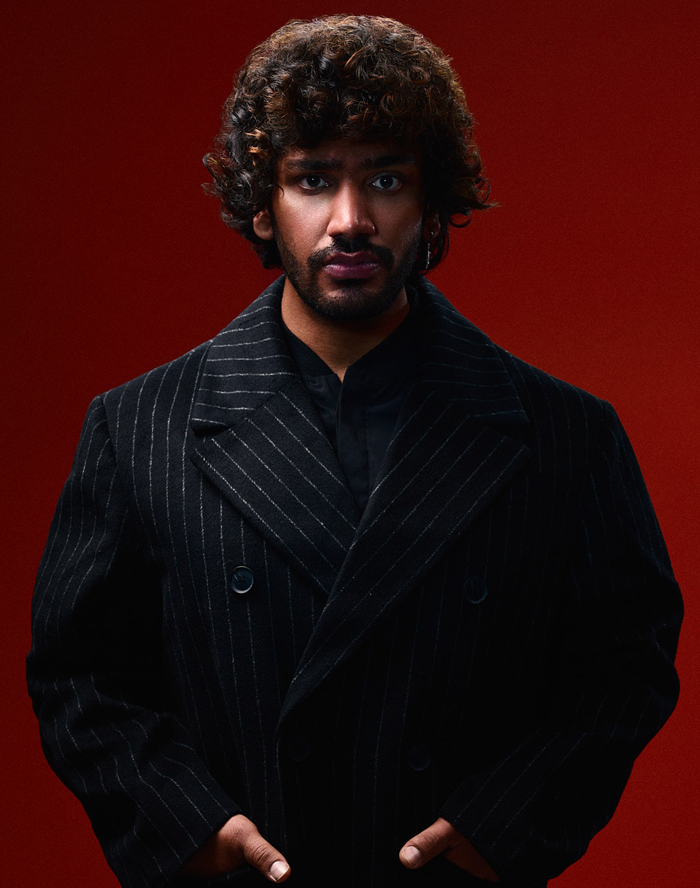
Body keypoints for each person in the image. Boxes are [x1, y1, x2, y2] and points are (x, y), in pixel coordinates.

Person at [27, 14, 683, 888]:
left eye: (385, 179)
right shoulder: (138, 426)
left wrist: (500, 828)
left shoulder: (567, 434)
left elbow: (625, 666)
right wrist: (191, 830)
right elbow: (80, 674)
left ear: (431, 203)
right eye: (312, 179)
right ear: (262, 203)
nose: (350, 220)